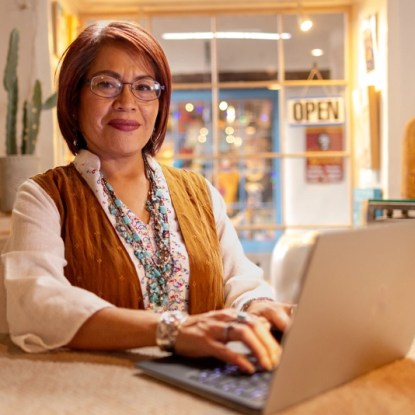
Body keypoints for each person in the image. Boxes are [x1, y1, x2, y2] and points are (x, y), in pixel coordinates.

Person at [0, 21, 292, 374]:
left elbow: (239, 279)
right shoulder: (45, 196)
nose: (127, 102)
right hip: (100, 390)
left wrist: (258, 307)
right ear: (74, 99)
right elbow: (37, 302)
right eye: (106, 84)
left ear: (159, 103)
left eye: (144, 87)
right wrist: (172, 330)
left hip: (209, 382)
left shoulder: (198, 192)